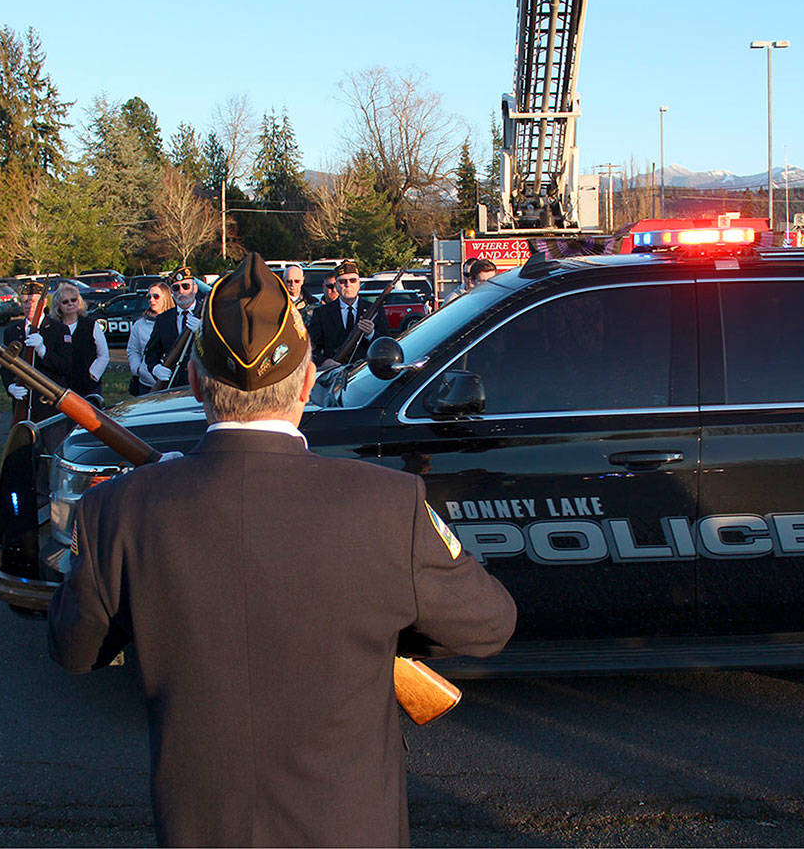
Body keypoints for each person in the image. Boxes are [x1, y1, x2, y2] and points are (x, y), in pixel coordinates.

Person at [48, 252, 515, 846]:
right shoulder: (386, 503)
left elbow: (74, 647)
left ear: (194, 383)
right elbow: (488, 626)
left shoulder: (119, 508)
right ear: (307, 381)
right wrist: (379, 629)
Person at [28, 282, 109, 413]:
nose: (70, 304)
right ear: (58, 306)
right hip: (61, 387)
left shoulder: (91, 325)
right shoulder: (52, 328)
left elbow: (103, 354)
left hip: (87, 386)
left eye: (74, 300)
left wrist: (94, 374)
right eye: (65, 302)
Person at [306, 259, 390, 368]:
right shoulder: (322, 313)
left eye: (353, 280)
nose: (348, 284)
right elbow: (311, 349)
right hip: (334, 374)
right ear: (336, 286)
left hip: (365, 373)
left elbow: (386, 344)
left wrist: (371, 334)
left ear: (359, 284)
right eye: (342, 281)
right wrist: (324, 362)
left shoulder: (375, 310)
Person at [144, 267, 206, 390]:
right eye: (176, 288)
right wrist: (155, 368)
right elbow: (151, 352)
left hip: (203, 381)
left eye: (186, 286)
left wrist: (203, 331)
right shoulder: (163, 319)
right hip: (174, 384)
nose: (181, 291)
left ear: (195, 288)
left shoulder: (207, 315)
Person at [2, 281, 53, 421]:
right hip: (22, 397)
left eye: (33, 301)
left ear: (43, 303)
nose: (29, 306)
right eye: (25, 302)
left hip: (48, 401)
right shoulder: (11, 331)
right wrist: (10, 387)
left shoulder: (57, 329)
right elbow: (6, 365)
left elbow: (64, 365)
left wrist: (43, 351)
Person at [126, 281, 173, 396]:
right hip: (147, 383)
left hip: (172, 383)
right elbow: (133, 350)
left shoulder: (175, 321)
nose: (152, 300)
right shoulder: (140, 324)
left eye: (156, 296)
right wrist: (138, 369)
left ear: (166, 297)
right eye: (149, 297)